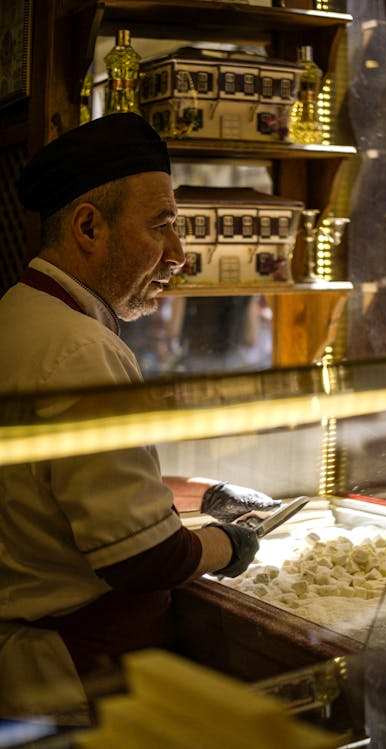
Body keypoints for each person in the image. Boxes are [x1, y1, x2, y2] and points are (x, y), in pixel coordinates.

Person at [0, 113, 280, 725]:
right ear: (88, 226)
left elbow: (64, 482)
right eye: (162, 227)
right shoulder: (81, 349)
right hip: (70, 681)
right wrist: (229, 544)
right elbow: (144, 559)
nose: (179, 255)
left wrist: (202, 492)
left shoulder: (16, 315)